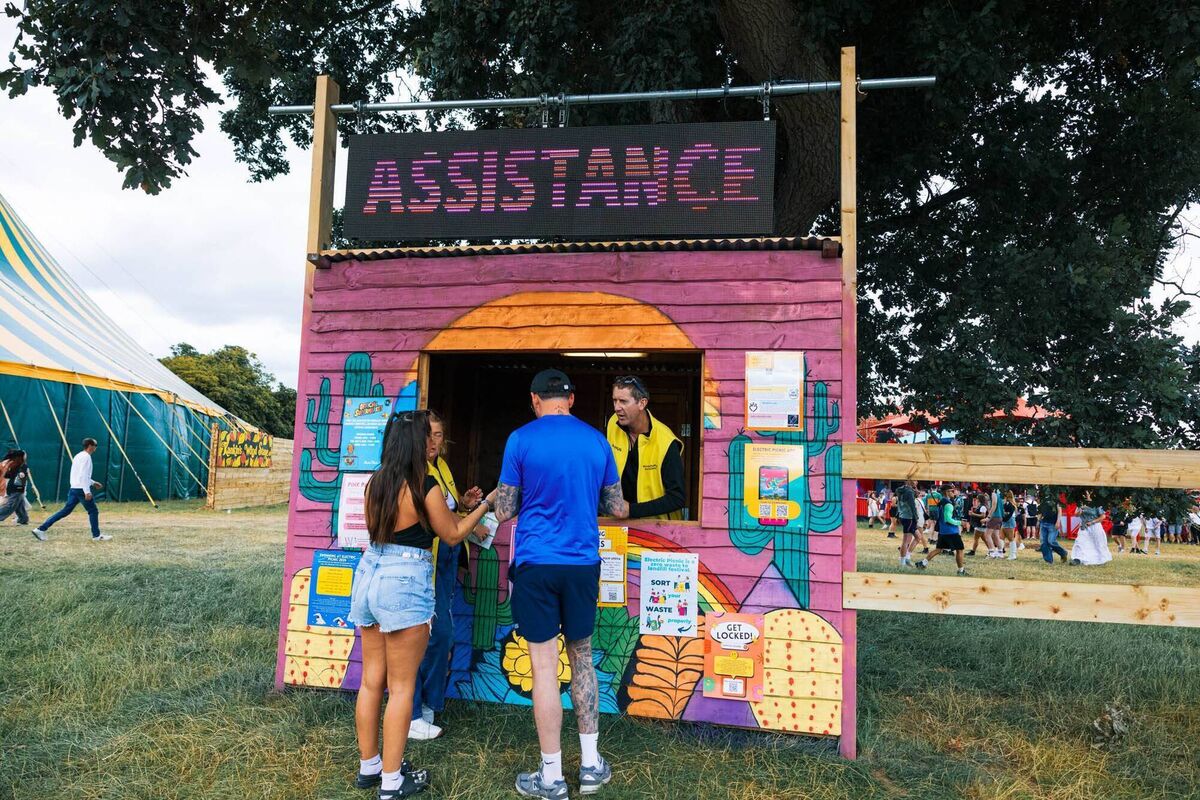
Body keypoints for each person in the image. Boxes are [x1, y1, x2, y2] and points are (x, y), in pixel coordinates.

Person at [490, 369, 629, 799]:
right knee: (581, 656)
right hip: (582, 563)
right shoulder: (597, 441)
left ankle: (551, 776)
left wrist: (505, 495)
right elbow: (616, 506)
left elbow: (506, 510)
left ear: (535, 400)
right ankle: (590, 766)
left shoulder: (520, 439)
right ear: (571, 399)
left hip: (536, 563)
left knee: (544, 666)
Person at [348, 410, 495, 799]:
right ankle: (392, 782)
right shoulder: (423, 484)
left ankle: (369, 766)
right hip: (404, 580)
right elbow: (453, 534)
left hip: (370, 572)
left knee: (371, 681)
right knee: (401, 688)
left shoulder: (375, 482)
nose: (432, 442)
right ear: (415, 442)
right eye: (426, 436)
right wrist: (485, 504)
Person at [409, 411, 486, 741]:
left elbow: (448, 511)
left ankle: (428, 704)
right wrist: (475, 515)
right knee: (425, 635)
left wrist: (464, 506)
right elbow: (437, 519)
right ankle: (413, 711)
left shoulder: (441, 467)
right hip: (426, 562)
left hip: (447, 561)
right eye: (428, 434)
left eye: (438, 435)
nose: (433, 441)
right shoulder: (414, 471)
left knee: (441, 635)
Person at [606, 375, 685, 520]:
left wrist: (631, 510)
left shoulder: (666, 442)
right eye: (614, 400)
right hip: (617, 523)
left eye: (623, 401)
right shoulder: (613, 423)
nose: (617, 408)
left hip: (659, 528)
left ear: (642, 403)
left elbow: (677, 498)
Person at [32, 437, 109, 541]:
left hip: (74, 488)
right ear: (90, 446)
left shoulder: (78, 456)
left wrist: (93, 482)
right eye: (95, 445)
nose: (96, 447)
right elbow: (83, 475)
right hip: (81, 489)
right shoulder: (87, 457)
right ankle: (96, 536)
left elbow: (79, 474)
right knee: (93, 511)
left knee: (65, 511)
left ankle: (40, 529)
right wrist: (87, 491)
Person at [914, 485, 968, 575]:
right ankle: (961, 571)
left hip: (943, 531)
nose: (953, 493)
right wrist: (960, 522)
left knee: (938, 549)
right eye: (952, 491)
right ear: (947, 492)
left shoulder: (941, 502)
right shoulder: (948, 504)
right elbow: (948, 519)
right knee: (960, 550)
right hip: (951, 532)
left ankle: (923, 563)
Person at [1069, 495, 1112, 566]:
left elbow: (1103, 516)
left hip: (1095, 526)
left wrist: (1092, 522)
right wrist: (1080, 509)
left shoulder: (1096, 503)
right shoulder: (1081, 503)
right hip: (1084, 526)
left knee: (1098, 543)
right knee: (1080, 541)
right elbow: (1076, 514)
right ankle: (1077, 559)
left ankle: (1101, 559)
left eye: (1087, 493)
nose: (1085, 495)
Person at [0, 449, 30, 527]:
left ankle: (23, 519)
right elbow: (19, 478)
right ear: (20, 457)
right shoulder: (21, 466)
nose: (25, 457)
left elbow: (8, 476)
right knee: (13, 506)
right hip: (16, 488)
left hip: (13, 488)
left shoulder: (15, 465)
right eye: (24, 456)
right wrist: (20, 489)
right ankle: (23, 519)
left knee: (17, 505)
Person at [1037, 490, 1067, 564]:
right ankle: (1049, 560)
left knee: (1051, 541)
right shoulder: (1043, 500)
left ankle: (1063, 553)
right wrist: (1038, 521)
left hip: (1053, 524)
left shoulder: (1056, 500)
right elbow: (1041, 512)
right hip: (1043, 523)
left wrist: (1058, 522)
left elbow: (1059, 511)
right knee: (1043, 542)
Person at [896, 480, 919, 566]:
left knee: (918, 537)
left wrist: (914, 489)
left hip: (903, 515)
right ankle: (902, 562)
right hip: (909, 517)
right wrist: (916, 517)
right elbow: (912, 506)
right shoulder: (909, 491)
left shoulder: (900, 489)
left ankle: (907, 557)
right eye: (915, 480)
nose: (916, 482)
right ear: (909, 481)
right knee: (906, 541)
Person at [1001, 490, 1020, 560]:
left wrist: (1003, 519)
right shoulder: (1008, 503)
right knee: (1001, 537)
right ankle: (1000, 553)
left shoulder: (1010, 504)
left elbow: (1008, 515)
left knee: (1011, 538)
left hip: (1009, 522)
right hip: (1006, 521)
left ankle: (1013, 555)